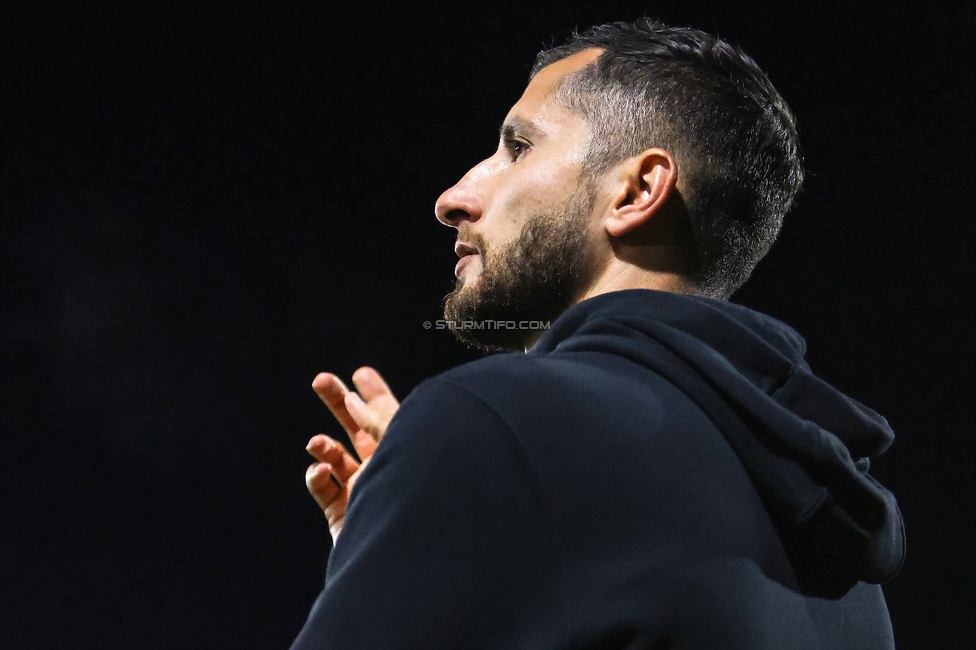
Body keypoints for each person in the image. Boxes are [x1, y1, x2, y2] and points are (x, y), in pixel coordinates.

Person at [291, 19, 905, 649]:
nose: (454, 197)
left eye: (519, 147)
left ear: (636, 191)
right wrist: (404, 539)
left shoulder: (494, 422)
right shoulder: (845, 557)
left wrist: (459, 466)